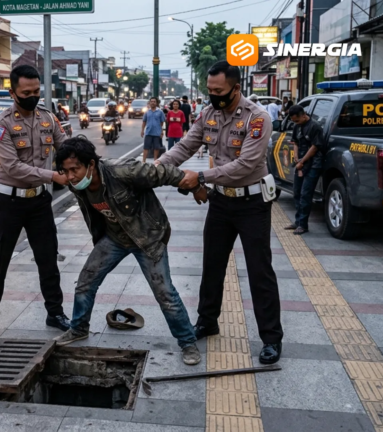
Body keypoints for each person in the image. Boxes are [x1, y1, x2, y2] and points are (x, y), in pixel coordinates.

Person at [156, 60, 284, 365]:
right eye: (209, 90)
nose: (213, 96)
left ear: (236, 88)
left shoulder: (258, 118)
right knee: (212, 264)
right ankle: (207, 321)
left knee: (259, 270)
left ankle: (271, 338)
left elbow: (245, 165)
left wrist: (200, 178)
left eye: (219, 91)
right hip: (221, 202)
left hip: (253, 204)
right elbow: (186, 146)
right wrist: (159, 166)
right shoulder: (208, 114)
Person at [53, 137, 202, 365]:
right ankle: (78, 329)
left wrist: (196, 186)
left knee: (165, 293)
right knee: (85, 282)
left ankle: (188, 342)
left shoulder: (122, 171)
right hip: (115, 238)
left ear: (91, 164)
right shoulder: (77, 184)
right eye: (66, 171)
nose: (71, 176)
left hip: (147, 238)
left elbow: (164, 173)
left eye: (75, 169)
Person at [0, 64, 70, 338]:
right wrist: (54, 176)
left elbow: (64, 146)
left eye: (37, 92)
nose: (33, 97)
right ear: (13, 92)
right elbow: (12, 167)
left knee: (48, 259)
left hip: (39, 203)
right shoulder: (1, 123)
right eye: (26, 92)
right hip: (9, 203)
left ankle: (55, 313)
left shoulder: (48, 118)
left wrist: (78, 163)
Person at [284, 105, 326, 235]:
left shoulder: (315, 127)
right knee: (296, 192)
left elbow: (315, 147)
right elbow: (295, 142)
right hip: (300, 164)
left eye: (297, 120)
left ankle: (303, 225)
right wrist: (296, 157)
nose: (295, 123)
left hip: (313, 164)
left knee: (305, 195)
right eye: (293, 121)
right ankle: (297, 222)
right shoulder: (297, 126)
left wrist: (302, 161)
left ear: (303, 115)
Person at [141, 97, 165, 163]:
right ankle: (143, 161)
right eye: (151, 101)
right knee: (146, 147)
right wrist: (142, 130)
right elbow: (144, 122)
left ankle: (155, 161)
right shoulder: (147, 112)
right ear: (149, 103)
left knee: (156, 148)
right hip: (148, 132)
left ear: (156, 103)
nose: (153, 103)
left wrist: (161, 132)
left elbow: (162, 122)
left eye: (154, 101)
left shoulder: (160, 112)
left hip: (157, 133)